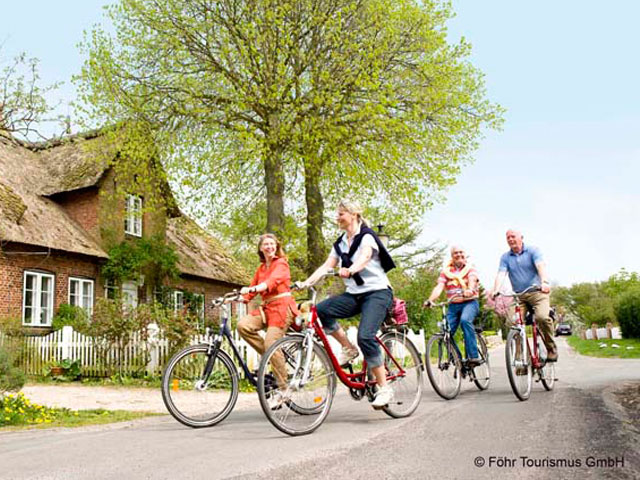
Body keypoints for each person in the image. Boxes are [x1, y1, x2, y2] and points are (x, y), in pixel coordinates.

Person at [299, 199, 395, 409]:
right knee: (321, 310)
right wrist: (306, 282)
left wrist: (352, 269)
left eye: (341, 213)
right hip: (355, 294)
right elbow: (326, 266)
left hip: (377, 292)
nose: (338, 217)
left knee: (366, 336)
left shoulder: (367, 236)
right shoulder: (340, 242)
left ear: (354, 214)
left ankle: (384, 387)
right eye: (338, 213)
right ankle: (348, 348)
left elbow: (366, 256)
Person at [237, 233, 300, 406]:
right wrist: (237, 297)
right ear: (260, 248)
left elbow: (271, 282)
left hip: (282, 308)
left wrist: (256, 288)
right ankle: (271, 356)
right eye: (266, 244)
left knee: (271, 342)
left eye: (272, 244)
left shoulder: (281, 263)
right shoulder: (261, 268)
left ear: (276, 246)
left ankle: (284, 389)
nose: (269, 247)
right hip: (267, 308)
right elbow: (251, 289)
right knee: (243, 326)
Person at [491, 229, 557, 362]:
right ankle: (521, 357)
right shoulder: (505, 257)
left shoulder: (533, 251)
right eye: (508, 237)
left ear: (521, 237)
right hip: (519, 296)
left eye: (513, 236)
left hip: (537, 292)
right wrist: (496, 290)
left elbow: (540, 266)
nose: (510, 239)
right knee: (512, 323)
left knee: (542, 317)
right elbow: (501, 274)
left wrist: (544, 282)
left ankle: (551, 349)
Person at [423, 245, 483, 365]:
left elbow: (472, 280)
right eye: (456, 253)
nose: (459, 255)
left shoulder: (470, 269)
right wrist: (430, 300)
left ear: (465, 255)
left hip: (469, 302)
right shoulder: (446, 272)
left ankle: (473, 356)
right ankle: (458, 359)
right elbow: (439, 287)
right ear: (452, 256)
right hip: (453, 305)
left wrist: (470, 290)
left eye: (461, 252)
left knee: (465, 321)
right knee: (445, 332)